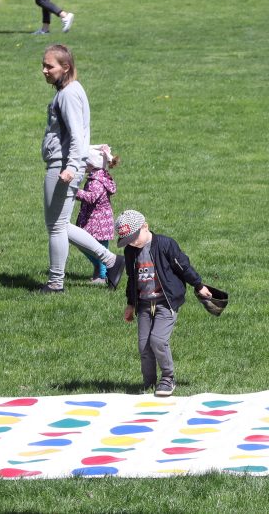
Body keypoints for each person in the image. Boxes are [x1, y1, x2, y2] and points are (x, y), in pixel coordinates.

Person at [39, 44, 125, 294]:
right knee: (61, 225)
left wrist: (70, 167)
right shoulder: (70, 91)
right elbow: (79, 135)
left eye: (49, 66)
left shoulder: (68, 94)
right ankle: (111, 261)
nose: (44, 70)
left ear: (65, 67)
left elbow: (76, 135)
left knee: (56, 226)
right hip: (64, 163)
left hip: (63, 166)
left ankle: (56, 283)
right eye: (43, 65)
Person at [116, 209, 213, 397]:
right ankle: (149, 383)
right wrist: (131, 304)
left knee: (158, 340)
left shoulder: (165, 244)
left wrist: (199, 285)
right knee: (144, 346)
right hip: (144, 303)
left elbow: (184, 266)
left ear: (145, 227)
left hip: (166, 302)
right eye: (128, 240)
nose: (133, 242)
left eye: (135, 237)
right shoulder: (130, 252)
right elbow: (131, 278)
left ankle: (168, 378)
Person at [75, 144, 119, 285]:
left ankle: (102, 275)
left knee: (89, 246)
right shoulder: (101, 176)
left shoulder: (96, 181)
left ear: (91, 164)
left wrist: (74, 191)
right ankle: (100, 270)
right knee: (98, 247)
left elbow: (91, 198)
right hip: (100, 219)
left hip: (97, 221)